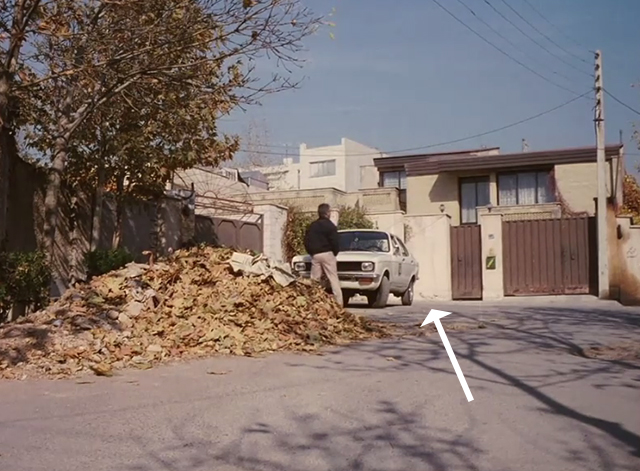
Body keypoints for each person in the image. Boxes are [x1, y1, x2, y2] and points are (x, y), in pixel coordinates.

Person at [304, 203, 343, 307]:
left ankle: (312, 302)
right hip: (327, 254)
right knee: (333, 278)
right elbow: (335, 241)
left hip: (315, 255)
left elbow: (306, 241)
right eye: (329, 212)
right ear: (327, 213)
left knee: (314, 280)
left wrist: (311, 252)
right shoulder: (330, 226)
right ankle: (339, 304)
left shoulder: (312, 226)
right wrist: (335, 252)